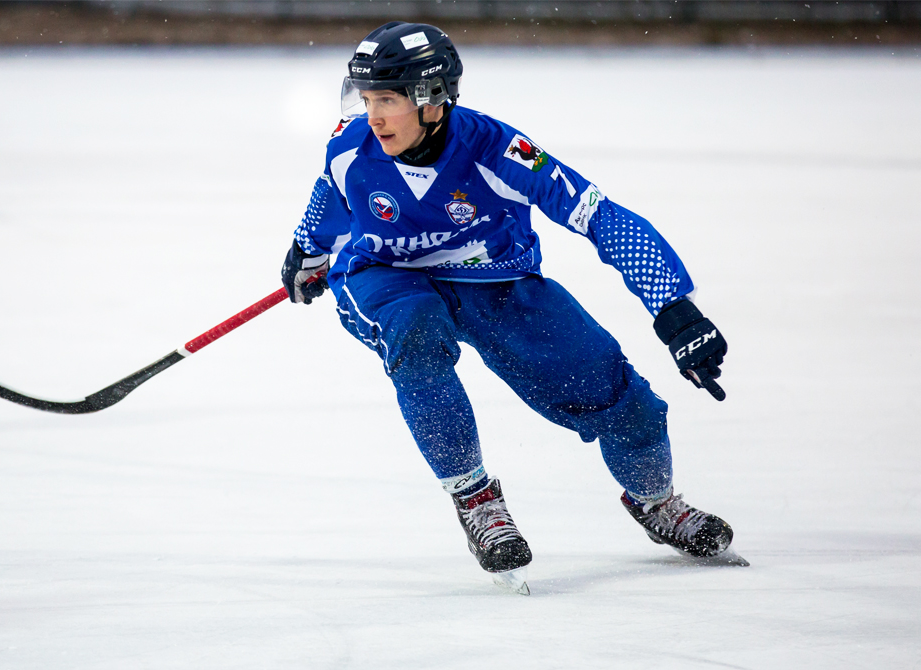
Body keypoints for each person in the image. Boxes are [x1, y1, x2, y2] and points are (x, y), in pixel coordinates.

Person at [281, 22, 733, 590]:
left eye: (388, 101)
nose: (372, 116)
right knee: (417, 332)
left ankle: (656, 503)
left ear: (432, 100)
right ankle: (476, 499)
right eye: (367, 99)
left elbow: (602, 217)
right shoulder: (353, 141)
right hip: (384, 278)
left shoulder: (501, 151)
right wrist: (306, 249)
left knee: (630, 406)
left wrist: (674, 307)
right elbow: (331, 190)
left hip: (495, 282)